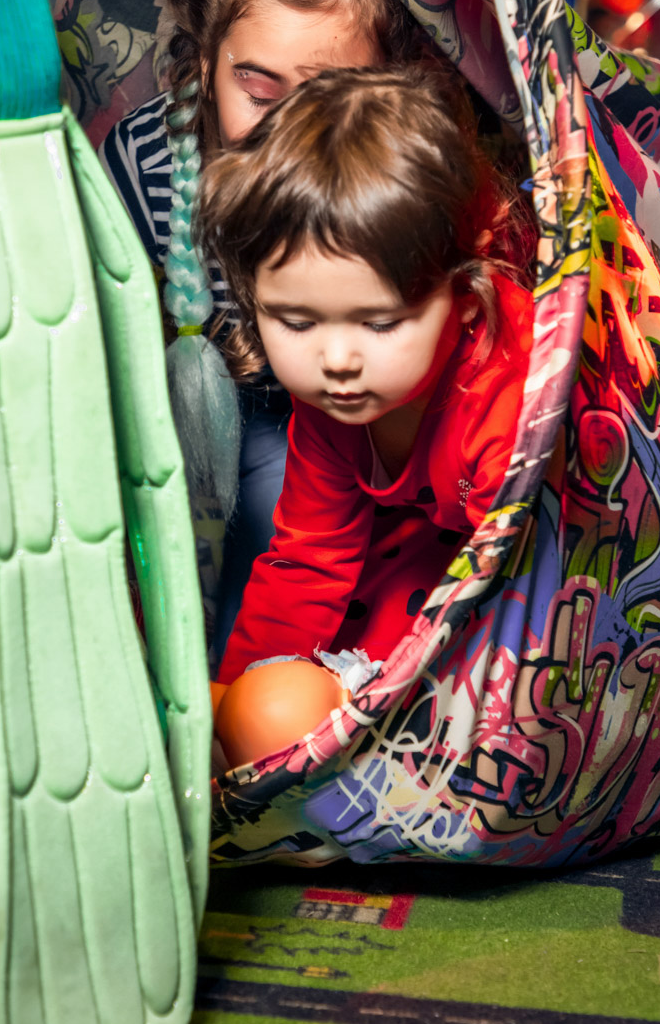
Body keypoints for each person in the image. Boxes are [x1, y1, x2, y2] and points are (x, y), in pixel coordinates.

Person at [98, 0, 427, 652]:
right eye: (260, 90)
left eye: (328, 98)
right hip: (215, 402)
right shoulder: (144, 162)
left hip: (353, 418)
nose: (288, 135)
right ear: (206, 61)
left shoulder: (404, 171)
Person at [196, 66, 535, 762]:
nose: (336, 359)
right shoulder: (336, 399)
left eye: (379, 323)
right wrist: (235, 703)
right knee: (248, 705)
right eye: (295, 321)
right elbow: (308, 557)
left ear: (464, 295)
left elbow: (530, 598)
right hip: (435, 556)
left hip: (539, 591)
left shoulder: (509, 398)